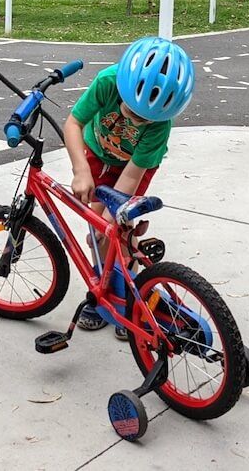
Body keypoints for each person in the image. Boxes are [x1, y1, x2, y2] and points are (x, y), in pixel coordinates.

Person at [64, 36, 195, 339]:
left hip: (133, 167)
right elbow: (73, 124)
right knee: (100, 234)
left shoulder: (161, 125)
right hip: (96, 155)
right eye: (132, 111)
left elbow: (130, 178)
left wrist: (110, 222)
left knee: (112, 230)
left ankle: (127, 297)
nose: (138, 121)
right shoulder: (108, 82)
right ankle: (108, 287)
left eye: (146, 119)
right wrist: (80, 170)